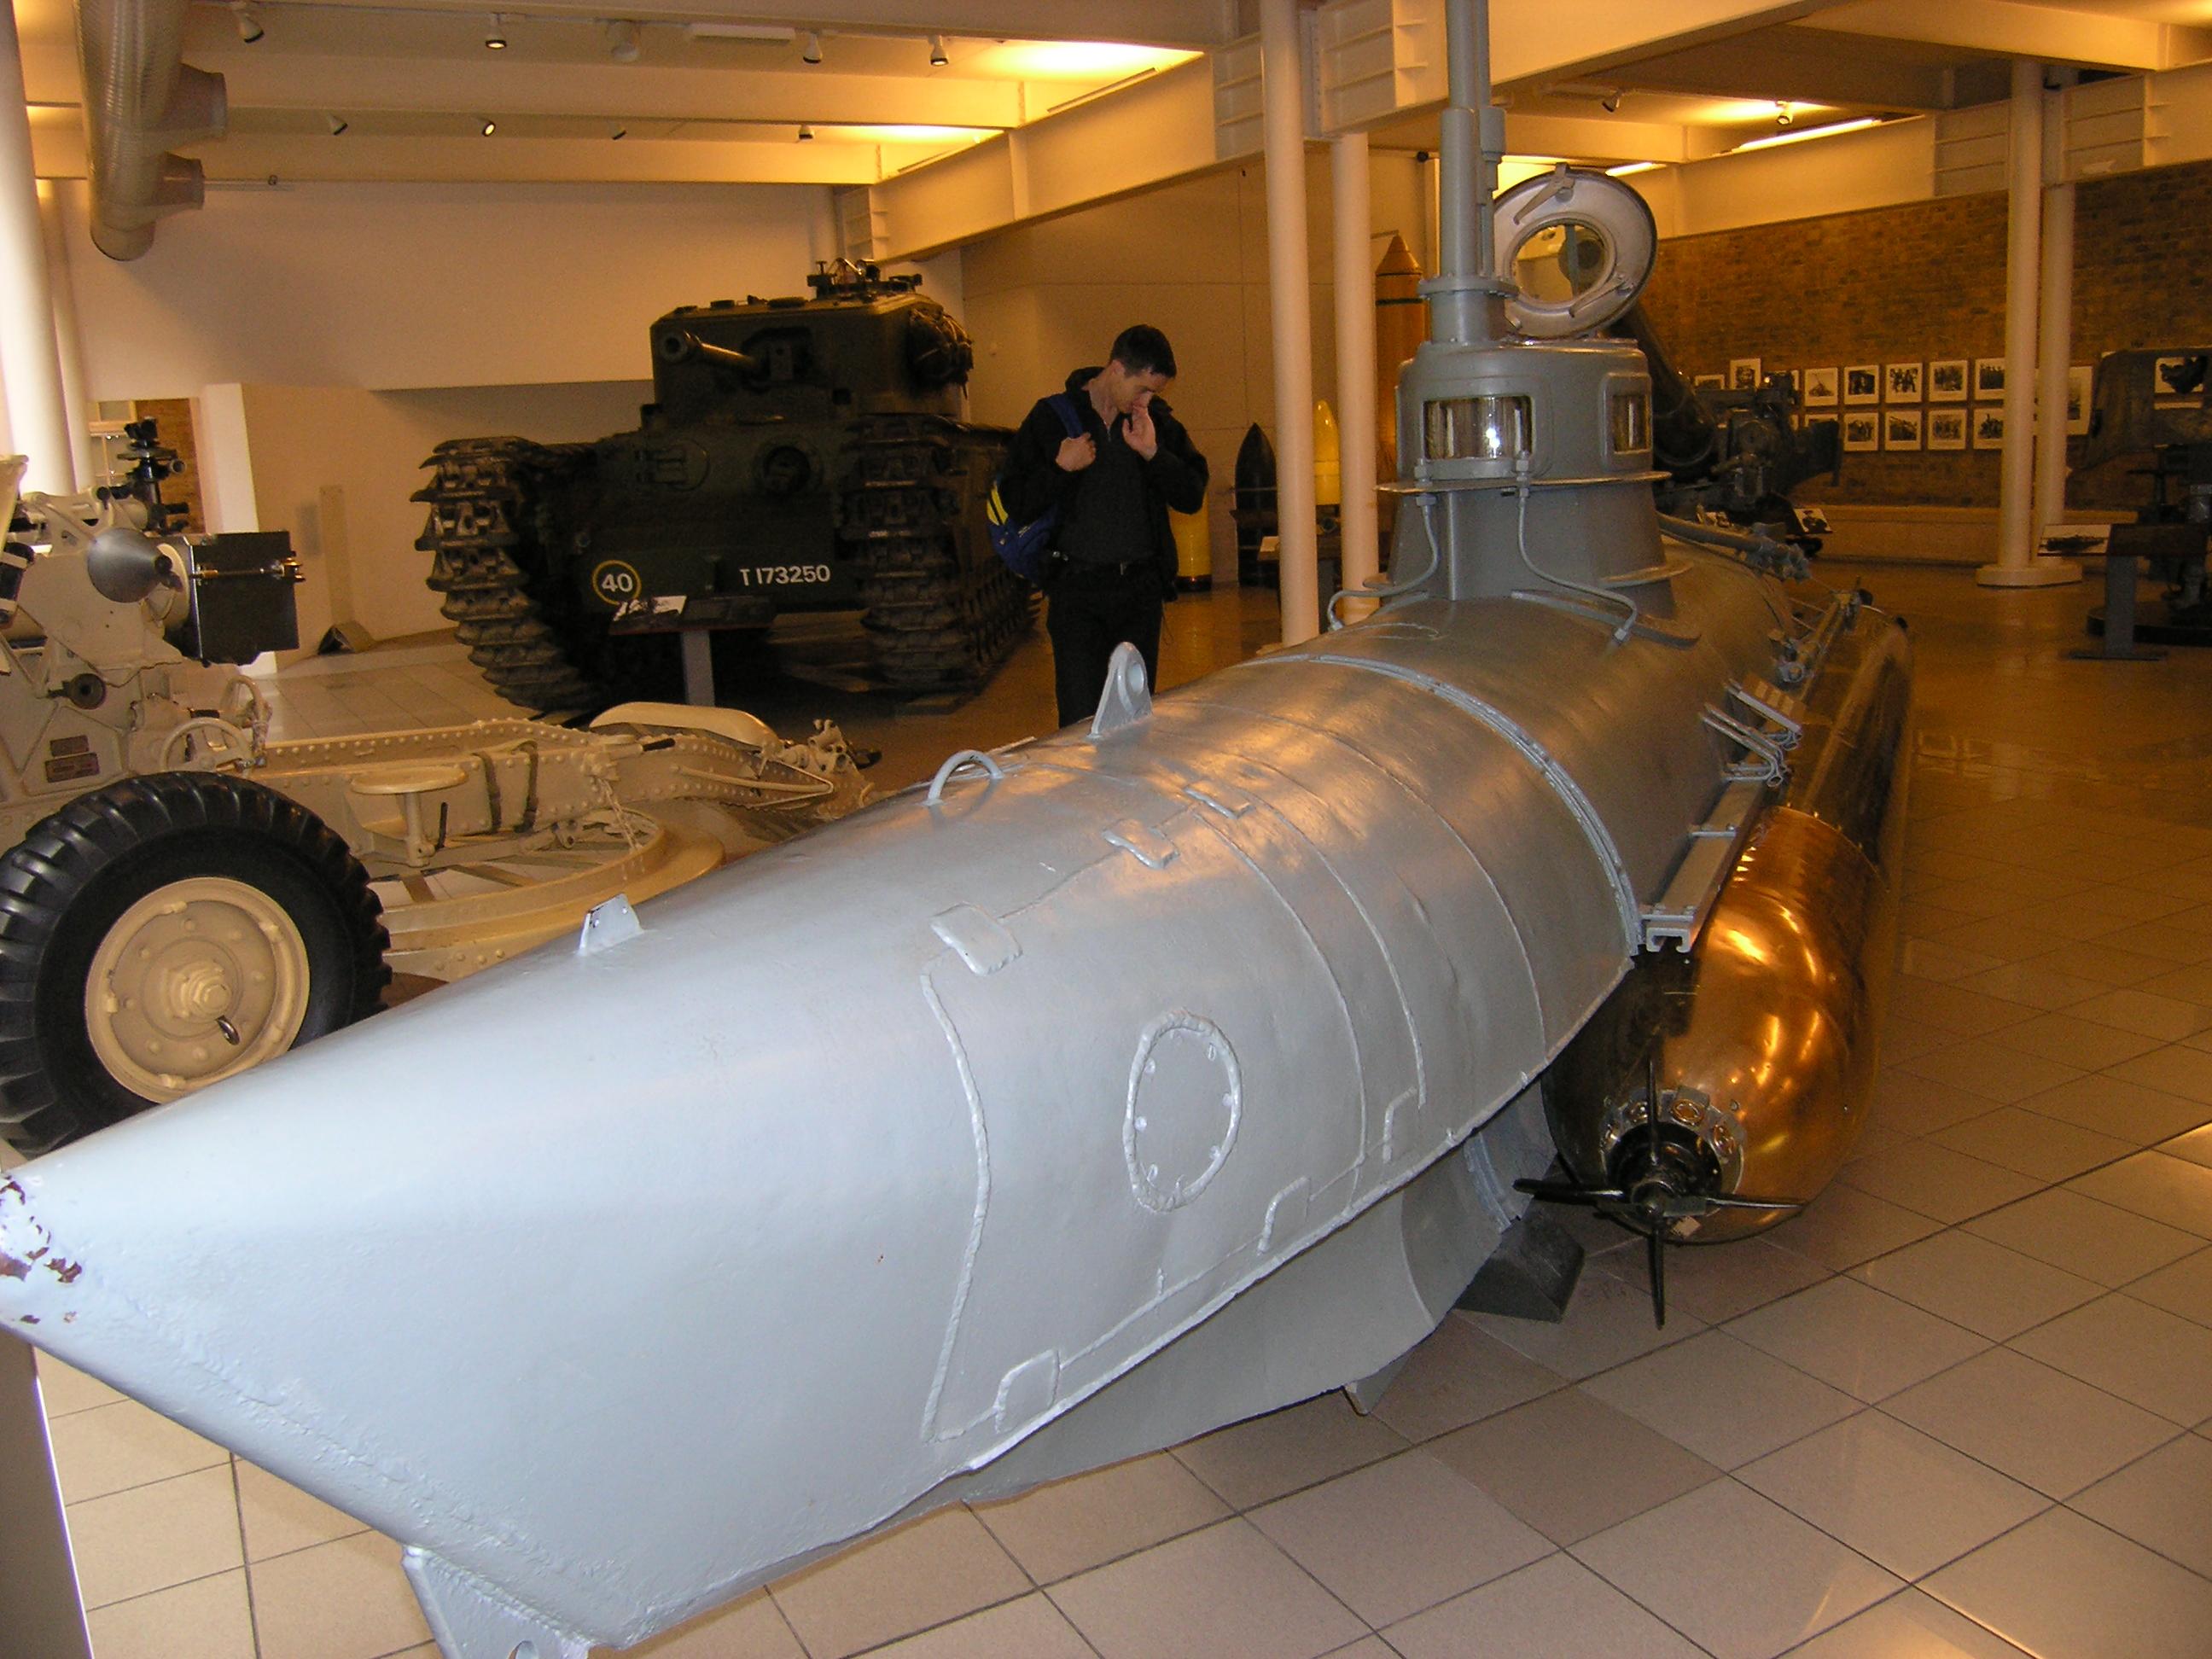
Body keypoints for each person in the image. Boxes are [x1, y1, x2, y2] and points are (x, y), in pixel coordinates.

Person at [996, 325, 1209, 728]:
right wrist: (1060, 468)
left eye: (1155, 394)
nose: (1147, 402)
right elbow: (1016, 502)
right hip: (1078, 595)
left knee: (1133, 721)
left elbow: (1191, 495)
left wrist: (1152, 453)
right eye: (1142, 389)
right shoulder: (1051, 418)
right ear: (1115, 369)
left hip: (1139, 597)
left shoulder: (1155, 423)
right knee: (1080, 723)